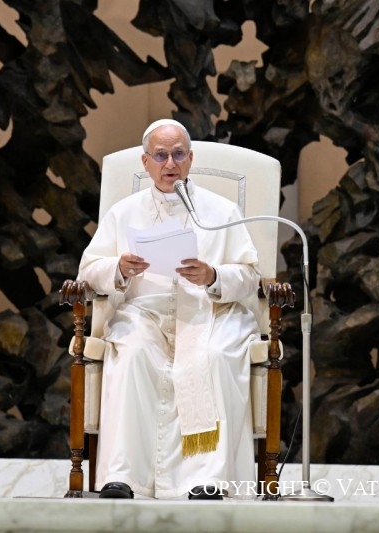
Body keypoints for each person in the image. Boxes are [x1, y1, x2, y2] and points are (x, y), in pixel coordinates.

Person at [78, 119, 262, 500]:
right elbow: (89, 271)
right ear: (145, 163)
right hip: (144, 313)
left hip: (211, 311)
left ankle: (207, 479)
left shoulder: (222, 210)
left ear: (190, 159)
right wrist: (120, 269)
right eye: (160, 156)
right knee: (132, 354)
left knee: (212, 356)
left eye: (178, 154)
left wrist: (213, 275)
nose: (170, 163)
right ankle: (125, 477)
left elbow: (249, 276)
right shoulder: (124, 212)